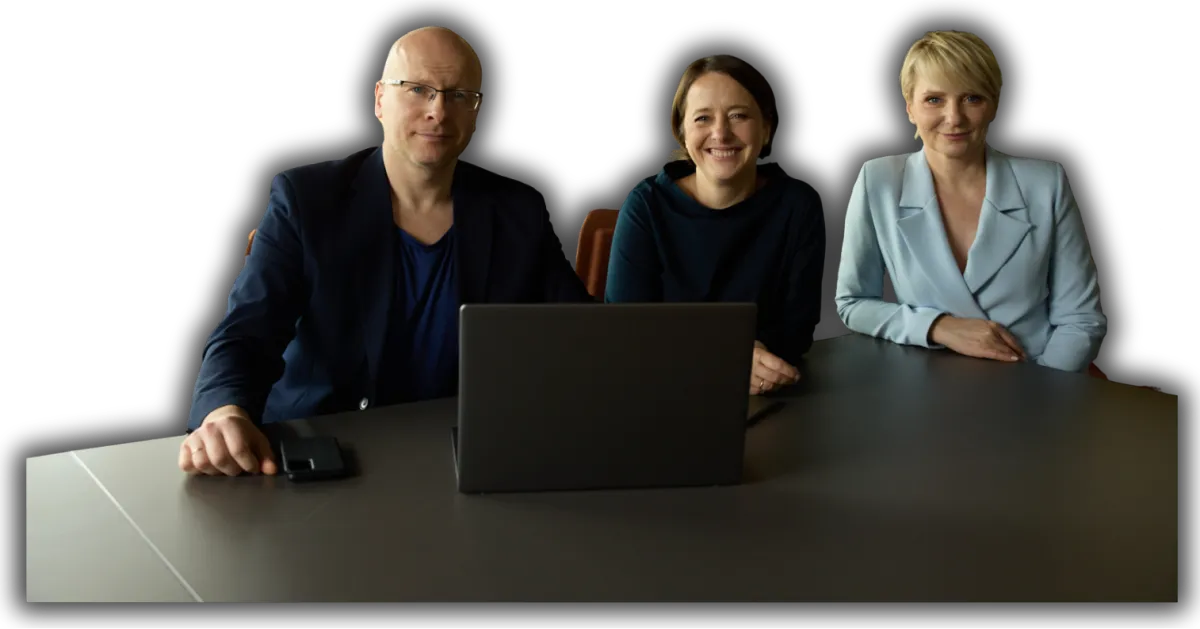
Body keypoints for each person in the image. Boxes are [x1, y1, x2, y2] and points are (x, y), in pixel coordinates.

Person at [180, 26, 592, 477]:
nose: (438, 110)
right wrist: (224, 413)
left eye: (459, 95)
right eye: (417, 89)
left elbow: (580, 333)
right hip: (326, 456)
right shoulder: (305, 199)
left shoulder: (519, 210)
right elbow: (245, 332)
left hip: (462, 459)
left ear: (476, 112)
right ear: (380, 100)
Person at [834, 31, 1106, 372]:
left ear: (993, 105)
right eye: (934, 99)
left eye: (972, 98)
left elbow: (1081, 320)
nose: (954, 118)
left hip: (1037, 376)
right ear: (909, 108)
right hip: (926, 385)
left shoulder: (1046, 182)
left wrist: (1040, 390)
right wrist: (940, 326)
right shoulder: (878, 180)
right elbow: (854, 302)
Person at [603, 55, 826, 396]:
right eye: (703, 118)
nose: (721, 133)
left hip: (764, 389)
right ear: (682, 131)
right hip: (662, 390)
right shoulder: (646, 206)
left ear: (766, 128)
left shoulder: (798, 205)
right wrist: (726, 356)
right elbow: (625, 330)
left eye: (739, 116)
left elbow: (798, 329)